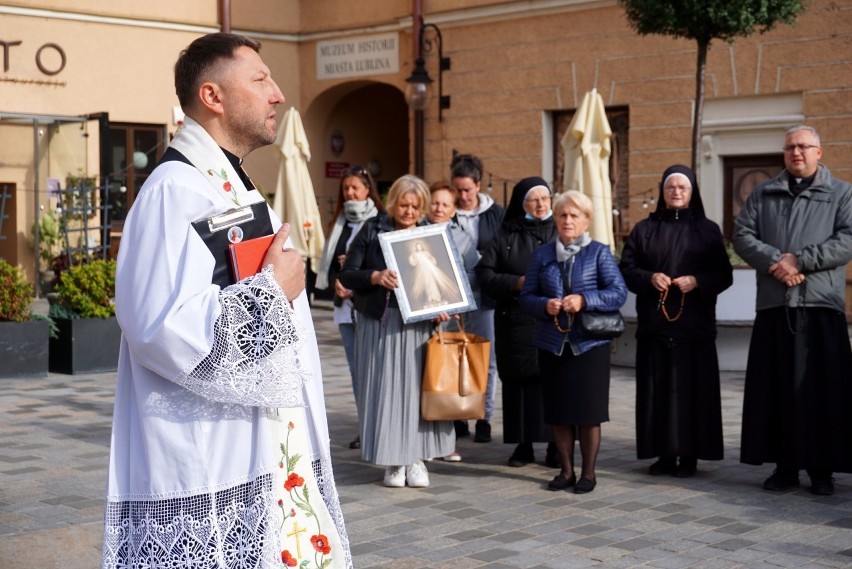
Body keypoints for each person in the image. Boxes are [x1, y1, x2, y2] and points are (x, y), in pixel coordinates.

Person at [102, 33, 351, 568]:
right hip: (211, 455)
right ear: (212, 97)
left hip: (258, 444)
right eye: (260, 80)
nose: (278, 94)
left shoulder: (231, 187)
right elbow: (158, 328)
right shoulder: (175, 191)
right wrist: (270, 293)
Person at [733, 125, 852, 496]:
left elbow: (847, 239)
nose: (796, 153)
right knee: (778, 390)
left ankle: (822, 471)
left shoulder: (841, 193)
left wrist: (801, 260)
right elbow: (741, 236)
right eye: (789, 148)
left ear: (819, 151)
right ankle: (784, 467)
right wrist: (776, 263)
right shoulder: (763, 193)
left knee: (822, 392)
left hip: (820, 305)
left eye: (803, 147)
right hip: (776, 305)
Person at [338, 175, 454, 488]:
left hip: (419, 326)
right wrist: (374, 276)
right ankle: (393, 462)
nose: (409, 211)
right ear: (393, 203)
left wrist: (444, 306)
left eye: (416, 207)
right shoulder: (373, 229)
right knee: (385, 391)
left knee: (417, 391)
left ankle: (416, 459)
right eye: (404, 204)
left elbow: (444, 283)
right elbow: (347, 275)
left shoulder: (432, 235)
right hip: (380, 323)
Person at [619, 164, 733, 478]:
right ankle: (664, 455)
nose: (676, 192)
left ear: (692, 192)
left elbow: (724, 274)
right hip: (656, 324)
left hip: (694, 326)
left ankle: (691, 456)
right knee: (658, 392)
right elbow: (627, 269)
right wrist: (648, 277)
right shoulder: (645, 229)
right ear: (663, 192)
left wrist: (697, 281)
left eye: (682, 187)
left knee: (692, 392)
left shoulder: (708, 230)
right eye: (671, 187)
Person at [519, 191, 627, 494]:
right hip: (552, 343)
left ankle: (589, 474)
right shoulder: (542, 255)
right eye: (563, 215)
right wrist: (544, 305)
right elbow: (526, 298)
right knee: (559, 412)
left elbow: (618, 293)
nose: (567, 220)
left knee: (589, 414)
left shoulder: (599, 252)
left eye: (574, 215)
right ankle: (566, 472)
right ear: (555, 218)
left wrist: (584, 299)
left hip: (589, 344)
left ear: (586, 220)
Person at [477, 177, 560, 468]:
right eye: (533, 200)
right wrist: (517, 283)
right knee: (518, 385)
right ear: (521, 204)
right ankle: (523, 446)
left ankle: (555, 447)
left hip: (553, 320)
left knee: (552, 384)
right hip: (514, 320)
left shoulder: (561, 230)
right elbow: (484, 275)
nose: (540, 204)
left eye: (545, 198)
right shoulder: (506, 235)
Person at [314, 165, 383, 451]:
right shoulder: (339, 223)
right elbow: (328, 268)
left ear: (368, 190)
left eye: (355, 187)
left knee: (375, 369)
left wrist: (355, 274)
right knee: (356, 370)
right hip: (345, 308)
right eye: (346, 189)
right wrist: (337, 282)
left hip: (370, 306)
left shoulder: (380, 222)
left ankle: (380, 426)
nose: (350, 193)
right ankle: (365, 427)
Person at [450, 153, 504, 443]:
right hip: (455, 298)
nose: (462, 196)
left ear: (479, 186)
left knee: (487, 359)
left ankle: (484, 417)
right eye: (457, 189)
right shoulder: (449, 211)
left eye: (467, 190)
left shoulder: (497, 215)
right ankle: (458, 415)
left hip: (486, 298)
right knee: (456, 356)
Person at [426, 181, 480, 463]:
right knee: (422, 380)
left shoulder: (464, 240)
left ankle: (446, 443)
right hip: (420, 320)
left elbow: (472, 277)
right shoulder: (415, 232)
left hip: (450, 320)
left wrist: (459, 305)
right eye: (435, 202)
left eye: (445, 204)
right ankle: (423, 443)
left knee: (444, 381)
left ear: (453, 209)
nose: (439, 208)